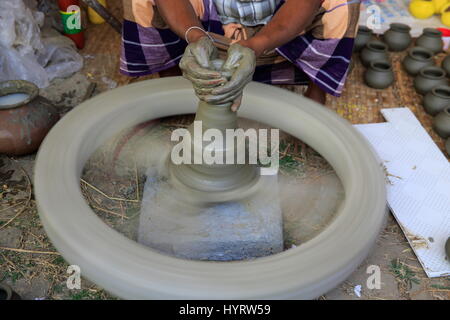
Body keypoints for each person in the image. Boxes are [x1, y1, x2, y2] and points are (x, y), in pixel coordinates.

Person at [121, 0, 360, 110]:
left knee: (343, 5)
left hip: (280, 20)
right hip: (209, 18)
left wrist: (256, 45)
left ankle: (315, 93)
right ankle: (172, 85)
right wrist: (196, 37)